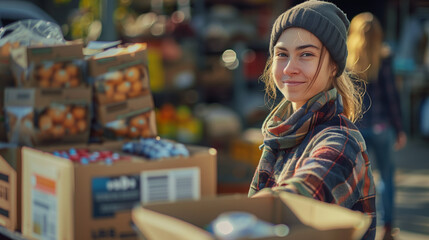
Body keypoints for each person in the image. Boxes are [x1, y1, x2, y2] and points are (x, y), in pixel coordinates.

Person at [247, 1, 376, 239]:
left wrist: (242, 214)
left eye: (306, 54)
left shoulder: (341, 139)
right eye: (282, 54)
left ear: (333, 66)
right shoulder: (281, 133)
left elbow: (307, 190)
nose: (289, 68)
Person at [346, 12, 407, 240]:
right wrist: (400, 129)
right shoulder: (384, 58)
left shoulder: (347, 59)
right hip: (382, 128)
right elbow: (393, 97)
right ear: (379, 34)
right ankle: (388, 228)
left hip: (357, 129)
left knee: (361, 182)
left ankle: (364, 227)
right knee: (387, 178)